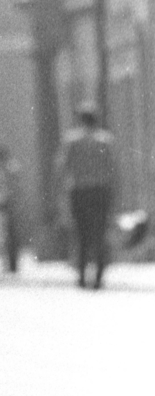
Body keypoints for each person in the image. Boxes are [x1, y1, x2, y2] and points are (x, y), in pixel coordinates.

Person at [57, 106, 118, 289]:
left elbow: (63, 167)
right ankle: (98, 276)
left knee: (81, 234)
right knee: (99, 234)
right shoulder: (105, 141)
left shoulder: (72, 141)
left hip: (80, 191)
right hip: (100, 191)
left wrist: (61, 193)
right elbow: (112, 169)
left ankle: (82, 276)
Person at [0, 145, 24, 275]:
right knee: (6, 236)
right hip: (6, 205)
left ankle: (12, 265)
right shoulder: (5, 169)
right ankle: (9, 264)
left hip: (9, 206)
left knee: (10, 236)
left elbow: (11, 189)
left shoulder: (10, 168)